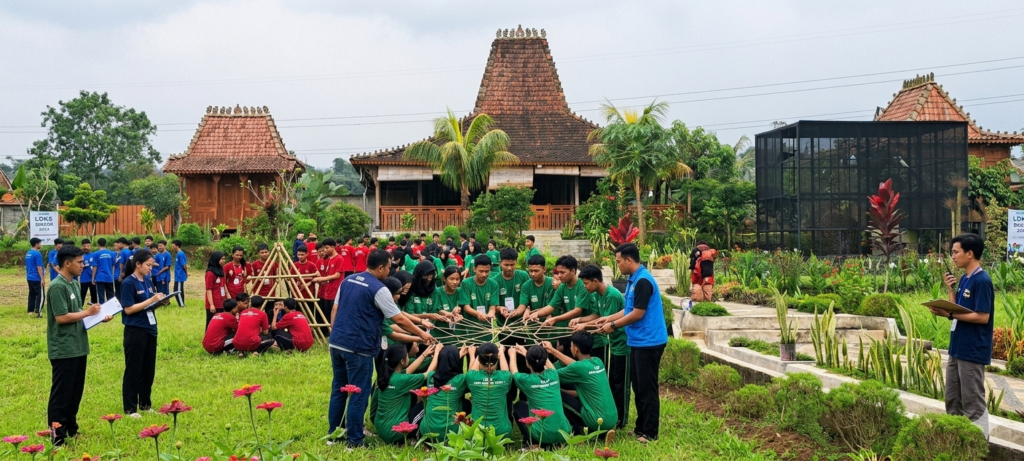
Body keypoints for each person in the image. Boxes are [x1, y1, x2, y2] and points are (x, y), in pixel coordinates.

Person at [327, 249, 433, 448]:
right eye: (389, 267)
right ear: (381, 267)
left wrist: (334, 335)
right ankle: (355, 440)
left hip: (337, 342)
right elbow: (398, 318)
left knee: (339, 389)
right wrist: (421, 334)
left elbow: (335, 308)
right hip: (359, 348)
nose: (389, 271)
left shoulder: (348, 280)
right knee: (359, 391)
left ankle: (334, 435)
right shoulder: (379, 288)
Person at [595, 243, 667, 443]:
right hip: (637, 341)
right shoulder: (633, 280)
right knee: (638, 386)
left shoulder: (643, 281)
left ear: (628, 260)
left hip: (649, 342)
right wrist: (607, 318)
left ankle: (650, 432)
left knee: (647, 387)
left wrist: (614, 325)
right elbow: (629, 308)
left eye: (618, 261)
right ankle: (640, 428)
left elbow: (638, 313)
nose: (617, 265)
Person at [928, 233, 995, 438]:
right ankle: (956, 446)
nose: (953, 257)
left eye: (956, 252)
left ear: (970, 253)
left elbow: (982, 317)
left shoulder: (982, 281)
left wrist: (948, 313)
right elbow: (958, 309)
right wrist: (950, 290)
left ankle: (979, 449)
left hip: (972, 351)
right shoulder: (966, 278)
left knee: (972, 403)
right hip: (957, 348)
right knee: (953, 401)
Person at [46, 245, 113, 445]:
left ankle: (71, 429)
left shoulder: (74, 284)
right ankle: (57, 436)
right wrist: (87, 313)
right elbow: (61, 317)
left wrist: (98, 316)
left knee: (75, 391)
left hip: (79, 345)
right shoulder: (58, 286)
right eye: (80, 262)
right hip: (64, 348)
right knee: (62, 394)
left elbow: (77, 312)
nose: (84, 265)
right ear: (67, 263)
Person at [573, 264, 629, 428]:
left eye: (586, 283)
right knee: (612, 381)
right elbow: (598, 316)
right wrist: (582, 321)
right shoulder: (597, 294)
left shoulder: (611, 295)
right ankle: (614, 415)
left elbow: (606, 325)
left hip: (623, 343)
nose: (584, 287)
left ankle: (621, 419)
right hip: (614, 344)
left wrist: (585, 327)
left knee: (621, 384)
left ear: (595, 281)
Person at [119, 249, 167, 417]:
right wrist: (150, 300)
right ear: (137, 264)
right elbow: (129, 309)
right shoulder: (128, 283)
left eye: (151, 265)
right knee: (134, 369)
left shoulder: (146, 281)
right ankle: (130, 408)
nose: (150, 269)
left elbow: (148, 306)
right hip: (135, 330)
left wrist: (159, 302)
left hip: (150, 328)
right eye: (148, 265)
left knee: (148, 369)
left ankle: (145, 404)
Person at [544, 332, 617, 434]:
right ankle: (603, 433)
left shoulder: (578, 368)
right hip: (612, 419)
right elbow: (576, 365)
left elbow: (552, 375)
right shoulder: (597, 361)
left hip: (597, 421)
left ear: (575, 349)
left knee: (556, 393)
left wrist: (544, 358)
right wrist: (552, 350)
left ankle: (578, 430)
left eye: (571, 345)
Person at [371, 343, 439, 444]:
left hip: (381, 428)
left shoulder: (385, 377)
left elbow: (409, 370)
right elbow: (427, 374)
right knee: (426, 402)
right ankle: (415, 435)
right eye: (407, 355)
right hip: (396, 433)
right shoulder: (401, 380)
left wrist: (424, 354)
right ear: (402, 361)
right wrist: (437, 353)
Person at [510, 344, 571, 448]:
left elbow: (514, 372)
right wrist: (526, 353)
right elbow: (547, 363)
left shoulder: (526, 380)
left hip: (542, 436)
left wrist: (512, 355)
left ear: (527, 363)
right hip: (564, 434)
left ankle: (532, 442)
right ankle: (558, 443)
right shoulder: (554, 375)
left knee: (518, 406)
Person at [419, 345, 470, 442]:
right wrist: (471, 354)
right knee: (468, 404)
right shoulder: (460, 380)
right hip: (450, 434)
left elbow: (437, 368)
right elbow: (472, 375)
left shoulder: (430, 376)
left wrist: (438, 352)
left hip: (427, 432)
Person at [465, 343, 513, 439]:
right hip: (502, 433)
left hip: (478, 433)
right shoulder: (506, 377)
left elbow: (472, 371)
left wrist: (473, 354)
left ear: (479, 359)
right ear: (497, 359)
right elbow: (505, 369)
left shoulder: (471, 377)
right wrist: (501, 352)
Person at [458, 255, 500, 343]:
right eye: (481, 271)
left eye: (487, 271)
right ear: (474, 269)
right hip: (471, 327)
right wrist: (478, 314)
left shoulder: (494, 284)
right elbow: (466, 307)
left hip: (486, 327)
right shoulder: (466, 283)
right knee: (472, 353)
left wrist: (490, 314)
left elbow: (493, 306)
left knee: (486, 353)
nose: (484, 274)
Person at [493, 248, 530, 327]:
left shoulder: (523, 276)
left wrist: (524, 309)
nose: (509, 268)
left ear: (516, 263)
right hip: (503, 323)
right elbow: (492, 304)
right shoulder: (494, 281)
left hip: (520, 322)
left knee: (521, 339)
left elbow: (529, 297)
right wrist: (499, 308)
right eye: (506, 265)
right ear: (500, 263)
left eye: (512, 264)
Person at [312, 238, 343, 319]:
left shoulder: (339, 259)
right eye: (324, 248)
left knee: (334, 315)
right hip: (327, 292)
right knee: (326, 315)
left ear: (333, 247)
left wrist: (322, 279)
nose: (325, 250)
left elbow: (337, 275)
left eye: (326, 248)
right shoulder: (330, 259)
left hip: (335, 292)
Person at [204, 251, 226, 329]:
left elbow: (224, 285)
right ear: (216, 259)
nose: (224, 261)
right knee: (211, 323)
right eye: (222, 259)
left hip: (221, 301)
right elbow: (209, 290)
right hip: (213, 302)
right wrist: (211, 304)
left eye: (224, 259)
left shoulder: (221, 270)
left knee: (220, 323)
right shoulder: (210, 273)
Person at [92, 238, 116, 304]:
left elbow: (95, 266)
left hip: (100, 277)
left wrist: (93, 278)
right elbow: (113, 265)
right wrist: (112, 275)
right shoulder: (112, 253)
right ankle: (111, 311)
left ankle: (102, 311)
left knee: (101, 296)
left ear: (98, 244)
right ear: (106, 244)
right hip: (109, 277)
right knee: (110, 296)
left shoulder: (96, 254)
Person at [26, 237, 45, 316]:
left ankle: (30, 310)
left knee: (32, 294)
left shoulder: (28, 253)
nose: (41, 245)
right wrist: (42, 279)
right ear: (36, 244)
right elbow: (39, 267)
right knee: (40, 295)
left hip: (29, 277)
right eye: (40, 243)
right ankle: (38, 310)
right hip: (36, 277)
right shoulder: (37, 254)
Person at [171, 240, 188, 307]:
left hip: (180, 276)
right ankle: (181, 303)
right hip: (177, 276)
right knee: (178, 290)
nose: (172, 247)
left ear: (177, 246)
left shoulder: (180, 254)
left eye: (173, 246)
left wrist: (186, 273)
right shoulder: (178, 254)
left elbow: (184, 265)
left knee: (177, 291)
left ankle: (181, 305)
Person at [80, 239, 97, 304]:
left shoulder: (94, 255)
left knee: (94, 294)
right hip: (84, 279)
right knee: (82, 294)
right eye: (84, 246)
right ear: (82, 247)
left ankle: (94, 309)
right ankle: (79, 309)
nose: (86, 247)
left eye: (88, 246)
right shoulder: (80, 256)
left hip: (92, 279)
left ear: (90, 246)